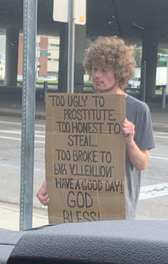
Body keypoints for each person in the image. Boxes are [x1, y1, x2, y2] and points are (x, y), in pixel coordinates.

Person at [37, 36, 155, 220]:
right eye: (94, 69)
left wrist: (129, 141)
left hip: (118, 209)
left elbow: (141, 164)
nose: (96, 75)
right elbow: (71, 154)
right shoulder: (81, 106)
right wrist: (49, 184)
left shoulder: (138, 109)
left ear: (119, 72)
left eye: (104, 70)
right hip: (81, 207)